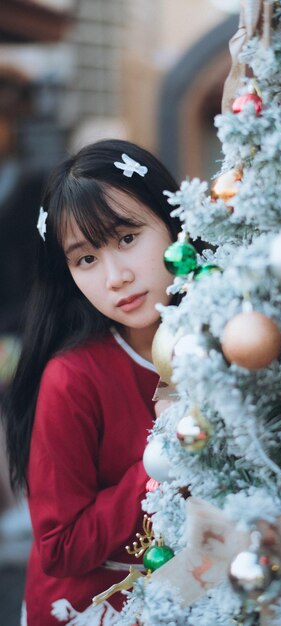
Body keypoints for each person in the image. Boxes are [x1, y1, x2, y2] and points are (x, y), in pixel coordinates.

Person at [3, 139, 188, 625]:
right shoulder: (74, 378)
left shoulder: (237, 338)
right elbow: (59, 548)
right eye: (86, 259)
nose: (115, 277)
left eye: (127, 238)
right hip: (97, 608)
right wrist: (163, 456)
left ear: (172, 221)